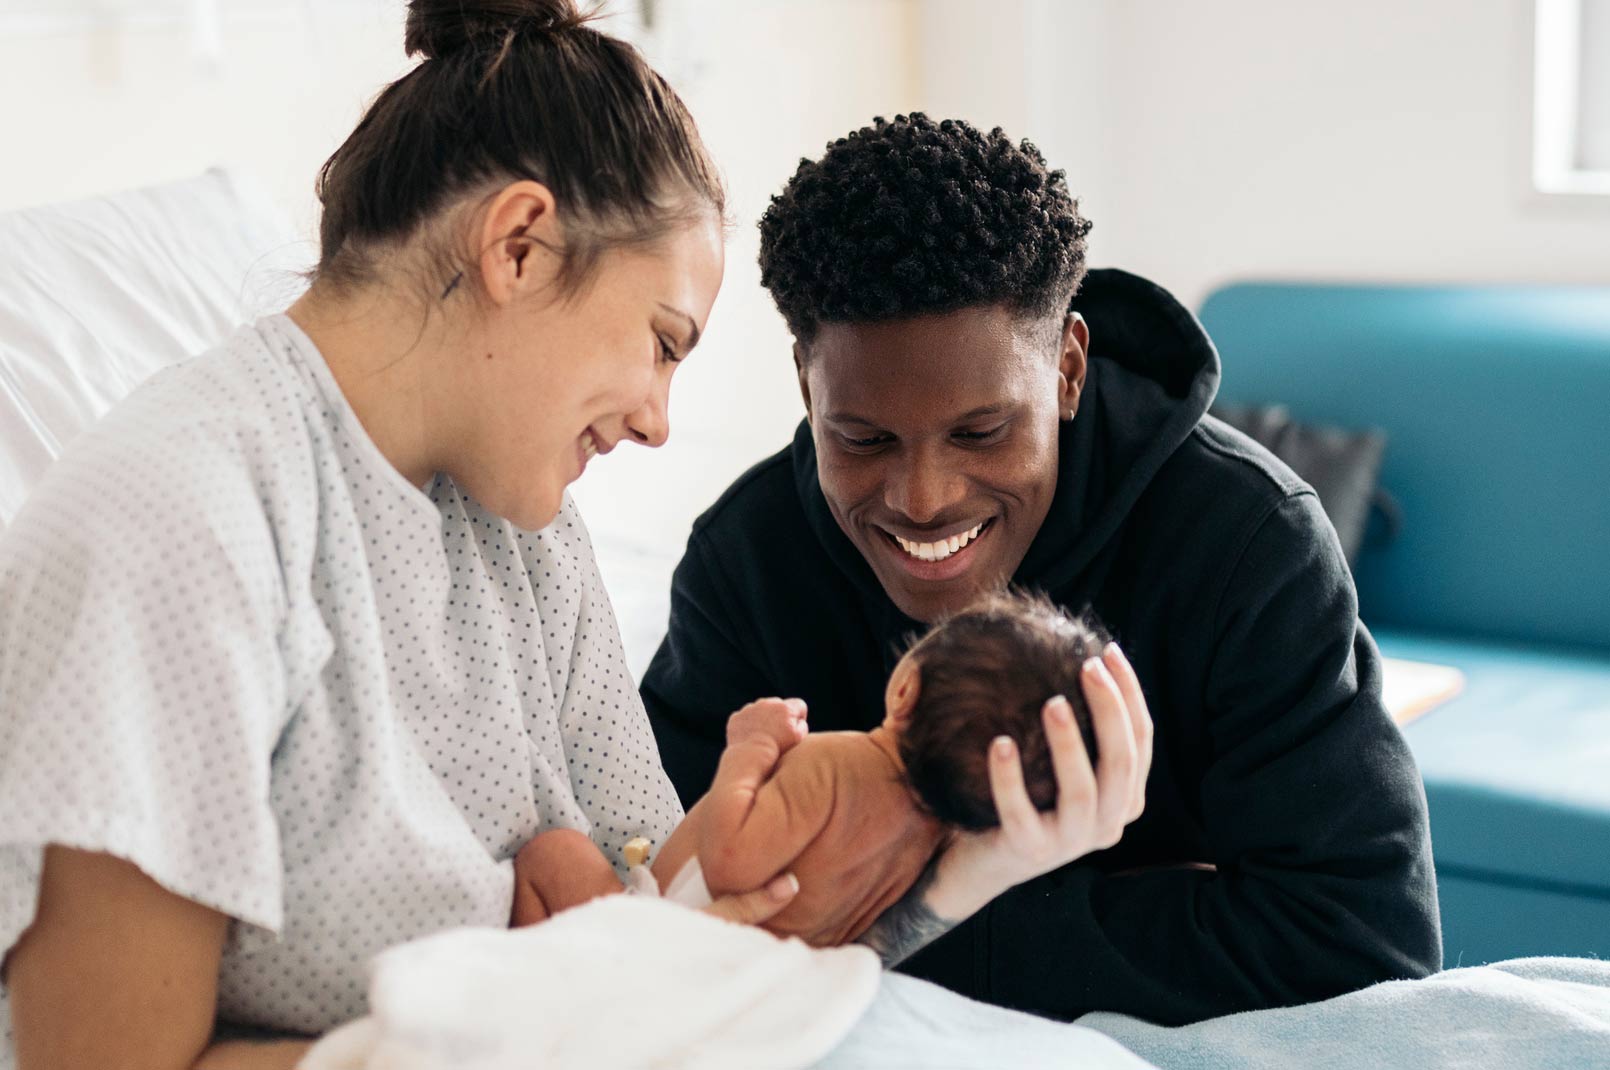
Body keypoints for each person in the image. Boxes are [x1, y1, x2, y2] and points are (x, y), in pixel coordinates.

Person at [0, 8, 1151, 1069]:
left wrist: (955, 868)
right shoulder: (183, 525)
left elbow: (668, 931)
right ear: (518, 247)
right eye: (660, 341)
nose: (656, 419)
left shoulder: (526, 535)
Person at [642, 113, 1443, 1025]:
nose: (922, 497)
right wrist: (1157, 899)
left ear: (1067, 368)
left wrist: (926, 909)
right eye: (862, 438)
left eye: (982, 432)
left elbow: (1368, 947)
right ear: (805, 386)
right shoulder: (748, 560)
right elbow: (671, 905)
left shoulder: (1249, 545)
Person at [512, 591, 1109, 947]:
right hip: (759, 975)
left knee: (556, 853)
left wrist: (747, 750)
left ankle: (539, 982)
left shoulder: (835, 766)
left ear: (905, 689)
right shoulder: (926, 838)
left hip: (674, 932)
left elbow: (730, 862)